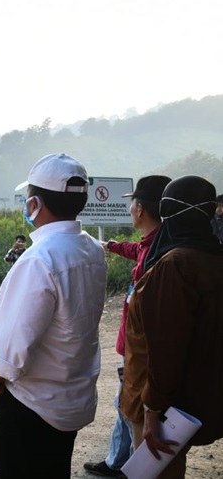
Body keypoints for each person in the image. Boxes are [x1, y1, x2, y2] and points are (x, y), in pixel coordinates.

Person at [0, 153, 108, 478]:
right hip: (68, 400)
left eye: (28, 198)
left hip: (30, 405)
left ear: (35, 203)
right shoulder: (92, 248)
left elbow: (12, 352)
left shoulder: (39, 260)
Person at [120, 175, 223, 478]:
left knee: (156, 471)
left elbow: (166, 347)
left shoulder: (174, 265)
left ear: (167, 211)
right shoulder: (213, 256)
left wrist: (153, 411)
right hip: (190, 391)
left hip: (158, 400)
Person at [83, 175, 171, 477]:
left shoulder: (160, 255)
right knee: (126, 403)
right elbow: (134, 250)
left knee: (132, 407)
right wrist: (107, 244)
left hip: (139, 351)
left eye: (132, 202)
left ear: (141, 209)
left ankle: (130, 467)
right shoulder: (156, 242)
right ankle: (119, 461)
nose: (130, 208)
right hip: (132, 347)